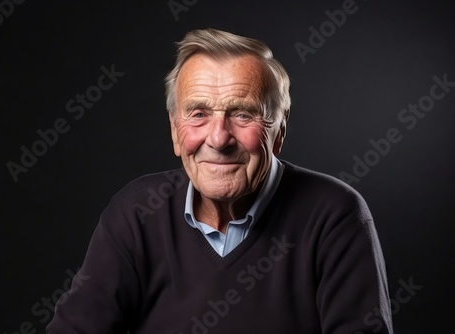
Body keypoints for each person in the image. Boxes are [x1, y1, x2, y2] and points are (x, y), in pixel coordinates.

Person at [47, 28, 393, 333]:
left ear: (279, 130)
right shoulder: (136, 212)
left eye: (243, 114)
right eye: (198, 114)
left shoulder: (335, 215)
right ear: (174, 130)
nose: (218, 139)